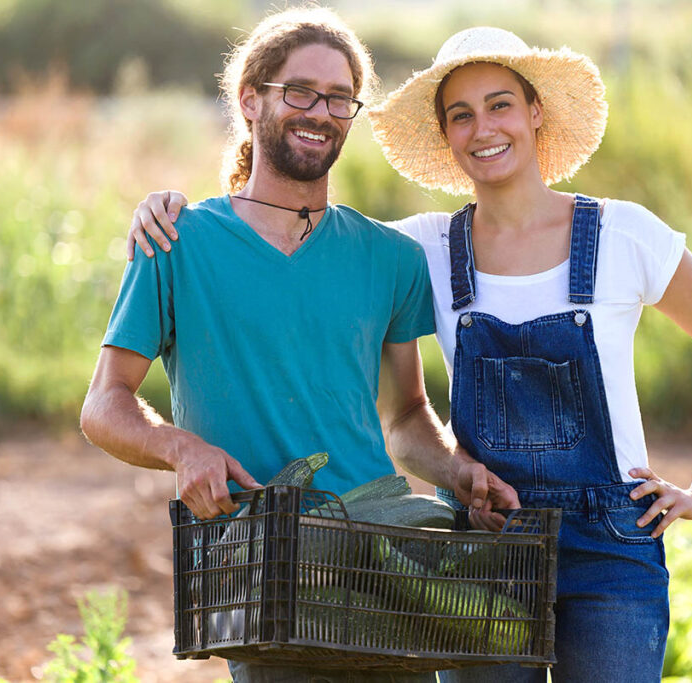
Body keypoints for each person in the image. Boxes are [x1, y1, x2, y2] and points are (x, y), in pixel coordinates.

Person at [128, 26, 692, 683]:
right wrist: (169, 209)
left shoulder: (623, 235)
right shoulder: (422, 249)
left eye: (500, 104)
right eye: (460, 114)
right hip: (481, 548)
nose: (483, 127)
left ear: (535, 113)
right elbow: (296, 232)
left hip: (609, 546)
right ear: (446, 135)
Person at [81, 9, 519, 683]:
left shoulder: (390, 258)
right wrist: (182, 447)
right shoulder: (178, 243)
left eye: (340, 97)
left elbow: (404, 416)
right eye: (300, 91)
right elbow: (104, 405)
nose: (321, 110)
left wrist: (461, 473)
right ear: (249, 98)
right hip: (263, 567)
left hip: (383, 555)